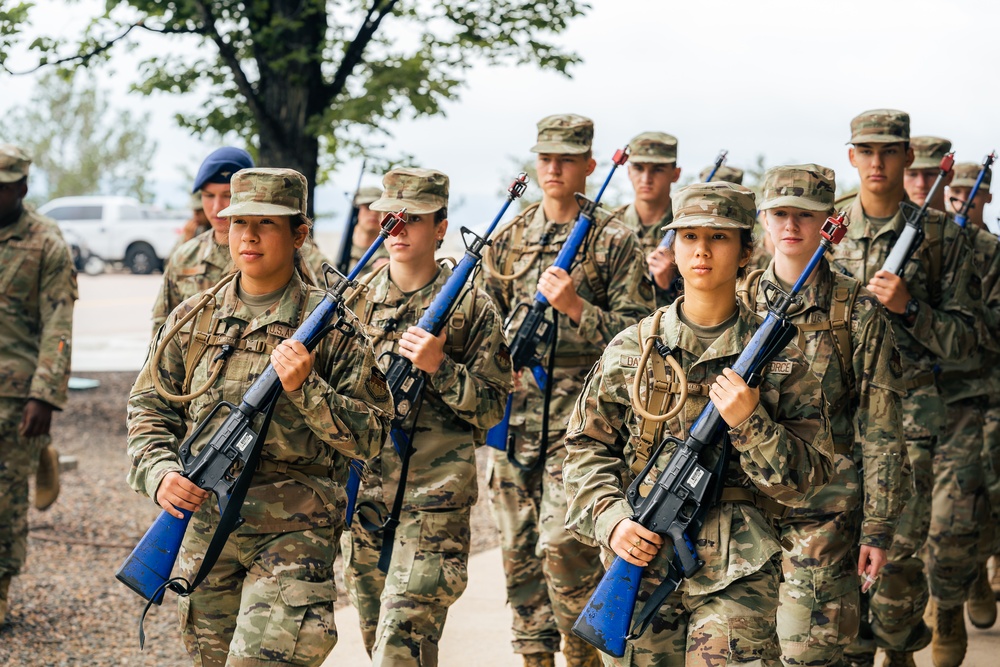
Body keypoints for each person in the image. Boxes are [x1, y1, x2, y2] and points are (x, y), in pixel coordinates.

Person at [127, 167, 393, 667]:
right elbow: (148, 407)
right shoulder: (194, 317)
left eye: (266, 223)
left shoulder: (334, 329)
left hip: (295, 533)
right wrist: (160, 474)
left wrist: (306, 389)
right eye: (238, 221)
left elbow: (373, 437)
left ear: (299, 234)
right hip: (208, 534)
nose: (247, 235)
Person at [563, 181, 834, 666]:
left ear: (748, 250)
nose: (702, 251)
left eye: (719, 237)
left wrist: (751, 423)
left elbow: (807, 484)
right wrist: (612, 521)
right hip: (641, 558)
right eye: (688, 237)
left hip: (741, 566)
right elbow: (585, 449)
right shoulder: (632, 348)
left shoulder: (781, 359)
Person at [479, 113, 654, 667]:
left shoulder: (614, 239)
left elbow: (640, 334)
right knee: (518, 561)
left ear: (589, 165)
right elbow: (487, 327)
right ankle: (533, 657)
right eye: (545, 158)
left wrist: (576, 309)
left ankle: (581, 656)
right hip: (518, 423)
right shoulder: (508, 241)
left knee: (566, 551)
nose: (553, 169)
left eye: (566, 159)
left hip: (582, 428)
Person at [342, 167, 513, 665]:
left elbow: (492, 408)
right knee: (381, 639)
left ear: (440, 227)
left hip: (434, 500)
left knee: (402, 639)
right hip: (367, 498)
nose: (397, 231)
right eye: (390, 219)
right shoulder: (355, 301)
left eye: (413, 220)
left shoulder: (473, 307)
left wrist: (440, 368)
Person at [743, 164, 907, 666]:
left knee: (807, 655)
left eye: (805, 215)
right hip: (743, 511)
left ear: (828, 223)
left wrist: (878, 527)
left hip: (824, 516)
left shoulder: (855, 309)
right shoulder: (737, 301)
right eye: (780, 214)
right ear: (765, 221)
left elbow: (881, 425)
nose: (791, 226)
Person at [832, 110, 978, 667]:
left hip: (911, 422)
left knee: (896, 560)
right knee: (838, 557)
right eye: (865, 150)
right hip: (836, 421)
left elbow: (969, 340)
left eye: (888, 151)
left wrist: (910, 308)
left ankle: (899, 650)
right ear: (851, 156)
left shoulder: (939, 237)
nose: (877, 162)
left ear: (906, 157)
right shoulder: (831, 226)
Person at [0, 144, 77, 625]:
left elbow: (58, 325)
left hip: (14, 393)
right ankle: (41, 451)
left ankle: (1, 585)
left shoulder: (46, 242)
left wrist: (44, 396)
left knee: (5, 498)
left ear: (22, 188)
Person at [151, 147, 255, 334]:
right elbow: (162, 328)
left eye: (227, 196)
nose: (216, 207)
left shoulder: (273, 252)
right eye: (208, 196)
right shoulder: (185, 256)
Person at [615, 132, 682, 306]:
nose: (646, 179)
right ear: (629, 171)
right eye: (638, 168)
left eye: (657, 169)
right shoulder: (610, 226)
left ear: (675, 174)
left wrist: (672, 284)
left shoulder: (689, 229)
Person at [347, 185, 390, 271]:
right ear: (356, 211)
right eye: (368, 207)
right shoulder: (340, 249)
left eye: (379, 209)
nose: (374, 213)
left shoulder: (393, 253)